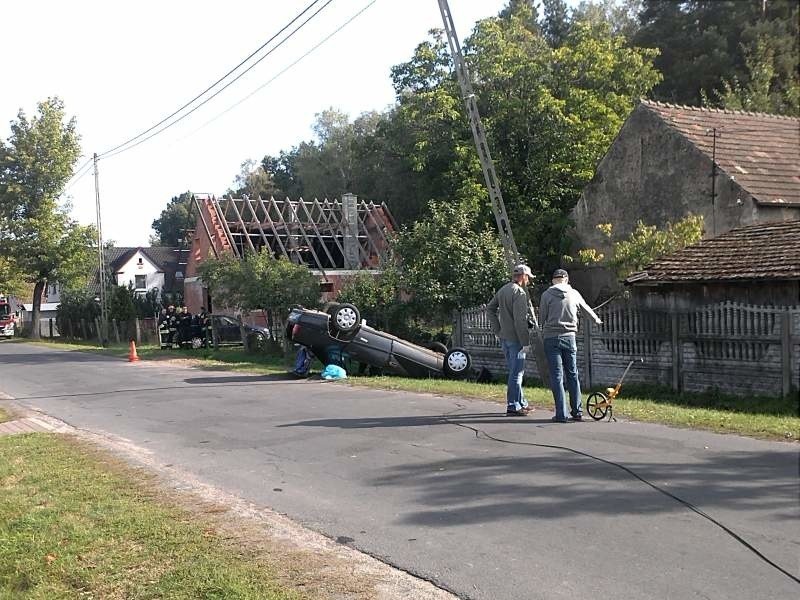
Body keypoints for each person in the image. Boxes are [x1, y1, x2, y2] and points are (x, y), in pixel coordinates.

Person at [539, 268, 602, 423]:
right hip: (570, 338)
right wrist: (597, 320)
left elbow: (542, 318)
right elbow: (586, 309)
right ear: (566, 279)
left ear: (553, 280)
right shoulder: (573, 293)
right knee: (573, 374)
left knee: (557, 376)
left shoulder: (546, 295)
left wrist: (543, 326)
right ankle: (577, 411)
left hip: (551, 338)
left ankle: (561, 414)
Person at [487, 264, 534, 416]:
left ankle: (521, 403)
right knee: (517, 373)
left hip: (504, 337)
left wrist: (497, 329)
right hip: (516, 339)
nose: (528, 280)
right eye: (528, 277)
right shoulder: (519, 293)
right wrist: (526, 343)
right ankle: (513, 405)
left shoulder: (503, 289)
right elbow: (520, 322)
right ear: (523, 276)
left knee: (514, 371)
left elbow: (490, 309)